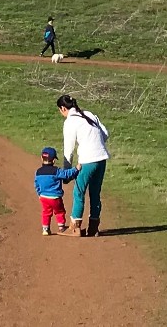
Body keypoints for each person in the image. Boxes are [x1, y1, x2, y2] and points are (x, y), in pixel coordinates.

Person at [58, 93, 111, 236]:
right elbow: (105, 133)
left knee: (79, 191)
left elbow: (68, 150)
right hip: (102, 159)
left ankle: (75, 228)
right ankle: (93, 228)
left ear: (63, 108)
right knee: (95, 193)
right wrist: (95, 142)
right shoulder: (88, 114)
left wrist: (66, 172)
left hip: (88, 160)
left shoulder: (70, 122)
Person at [34, 147, 79, 235]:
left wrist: (39, 194)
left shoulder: (38, 172)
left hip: (43, 197)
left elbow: (36, 184)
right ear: (54, 160)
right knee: (60, 211)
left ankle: (45, 229)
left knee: (46, 212)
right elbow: (66, 174)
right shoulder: (56, 171)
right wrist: (76, 169)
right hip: (55, 197)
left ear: (41, 158)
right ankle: (61, 227)